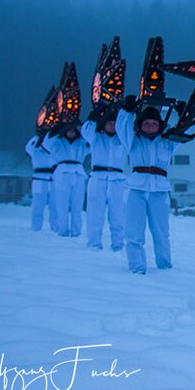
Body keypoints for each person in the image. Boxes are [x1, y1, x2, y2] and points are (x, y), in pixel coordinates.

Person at [116, 97, 180, 274]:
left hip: (159, 192)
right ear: (140, 125)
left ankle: (165, 266)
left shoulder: (167, 143)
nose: (150, 126)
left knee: (161, 232)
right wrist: (126, 111)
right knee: (134, 232)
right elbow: (122, 129)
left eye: (154, 123)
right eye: (146, 123)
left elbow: (185, 132)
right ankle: (137, 268)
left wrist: (183, 115)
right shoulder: (133, 141)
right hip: (136, 190)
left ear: (160, 126)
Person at [81, 109, 126, 251]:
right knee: (95, 213)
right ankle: (94, 244)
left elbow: (130, 130)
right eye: (109, 123)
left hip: (117, 180)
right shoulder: (96, 138)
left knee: (118, 215)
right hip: (97, 178)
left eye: (115, 123)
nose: (112, 126)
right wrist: (93, 118)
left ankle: (118, 244)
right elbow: (86, 132)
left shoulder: (123, 140)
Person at [43, 120, 90, 237]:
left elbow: (92, 143)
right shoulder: (57, 142)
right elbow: (46, 143)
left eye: (73, 130)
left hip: (78, 173)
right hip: (62, 173)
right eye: (68, 130)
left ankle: (76, 232)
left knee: (77, 205)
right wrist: (57, 128)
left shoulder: (82, 143)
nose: (71, 133)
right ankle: (63, 231)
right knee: (62, 204)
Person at [24, 131, 58, 232]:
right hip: (39, 180)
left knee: (54, 206)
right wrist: (38, 136)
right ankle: (36, 227)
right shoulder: (35, 150)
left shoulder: (54, 152)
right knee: (37, 206)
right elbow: (28, 147)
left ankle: (55, 228)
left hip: (52, 180)